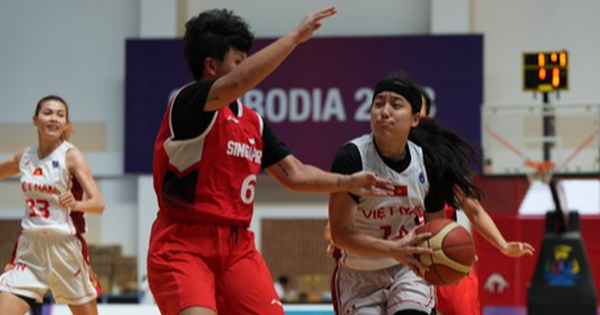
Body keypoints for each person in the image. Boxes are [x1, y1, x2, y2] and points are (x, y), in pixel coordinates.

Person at [147, 7, 396, 315]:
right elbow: (238, 83)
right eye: (239, 62)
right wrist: (293, 38)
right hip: (184, 242)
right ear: (210, 66)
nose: (245, 68)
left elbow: (295, 174)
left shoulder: (254, 123)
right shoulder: (187, 103)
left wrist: (347, 182)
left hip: (237, 245)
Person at [328, 75, 484, 315]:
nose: (384, 111)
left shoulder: (427, 163)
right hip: (360, 274)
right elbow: (340, 234)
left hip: (409, 270)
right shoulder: (351, 158)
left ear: (415, 119)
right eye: (378, 104)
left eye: (395, 104)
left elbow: (437, 228)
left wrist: (450, 256)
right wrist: (391, 249)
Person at [419, 89, 534, 315]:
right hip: (402, 259)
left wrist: (502, 244)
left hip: (444, 256)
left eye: (414, 107)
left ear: (424, 117)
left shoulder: (440, 158)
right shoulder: (377, 158)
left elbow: (473, 208)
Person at [0, 95, 105, 315]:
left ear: (66, 123)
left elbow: (98, 204)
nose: (53, 118)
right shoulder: (25, 156)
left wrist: (76, 204)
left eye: (60, 114)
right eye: (47, 112)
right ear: (35, 119)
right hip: (30, 247)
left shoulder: (71, 156)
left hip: (65, 248)